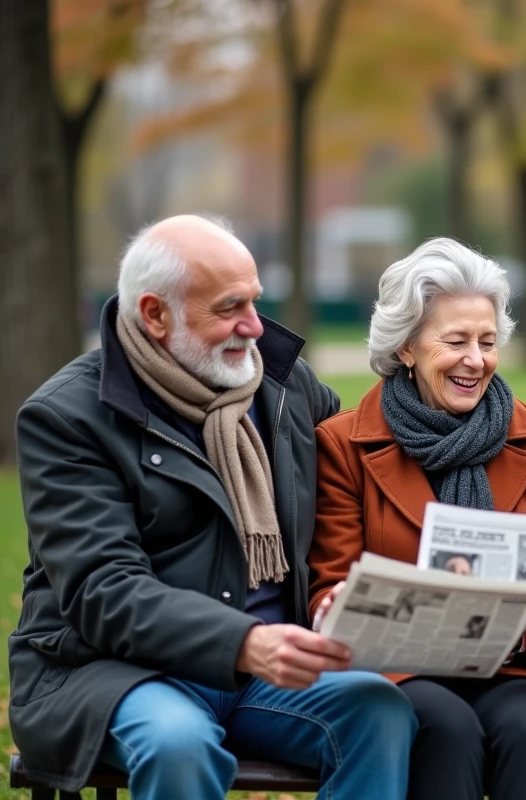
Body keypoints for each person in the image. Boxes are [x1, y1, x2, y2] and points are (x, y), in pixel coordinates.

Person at [8, 215, 417, 799]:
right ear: (154, 315)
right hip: (113, 671)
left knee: (379, 710)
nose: (254, 327)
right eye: (229, 309)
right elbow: (104, 589)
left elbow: (368, 474)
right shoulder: (68, 417)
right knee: (177, 743)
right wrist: (244, 642)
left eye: (254, 300)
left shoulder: (284, 386)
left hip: (268, 668)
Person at [308, 237, 526, 800]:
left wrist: (514, 631)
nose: (475, 360)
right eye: (455, 341)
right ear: (407, 347)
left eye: (487, 342)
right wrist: (337, 607)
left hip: (511, 666)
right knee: (446, 727)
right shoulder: (343, 445)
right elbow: (329, 584)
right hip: (395, 669)